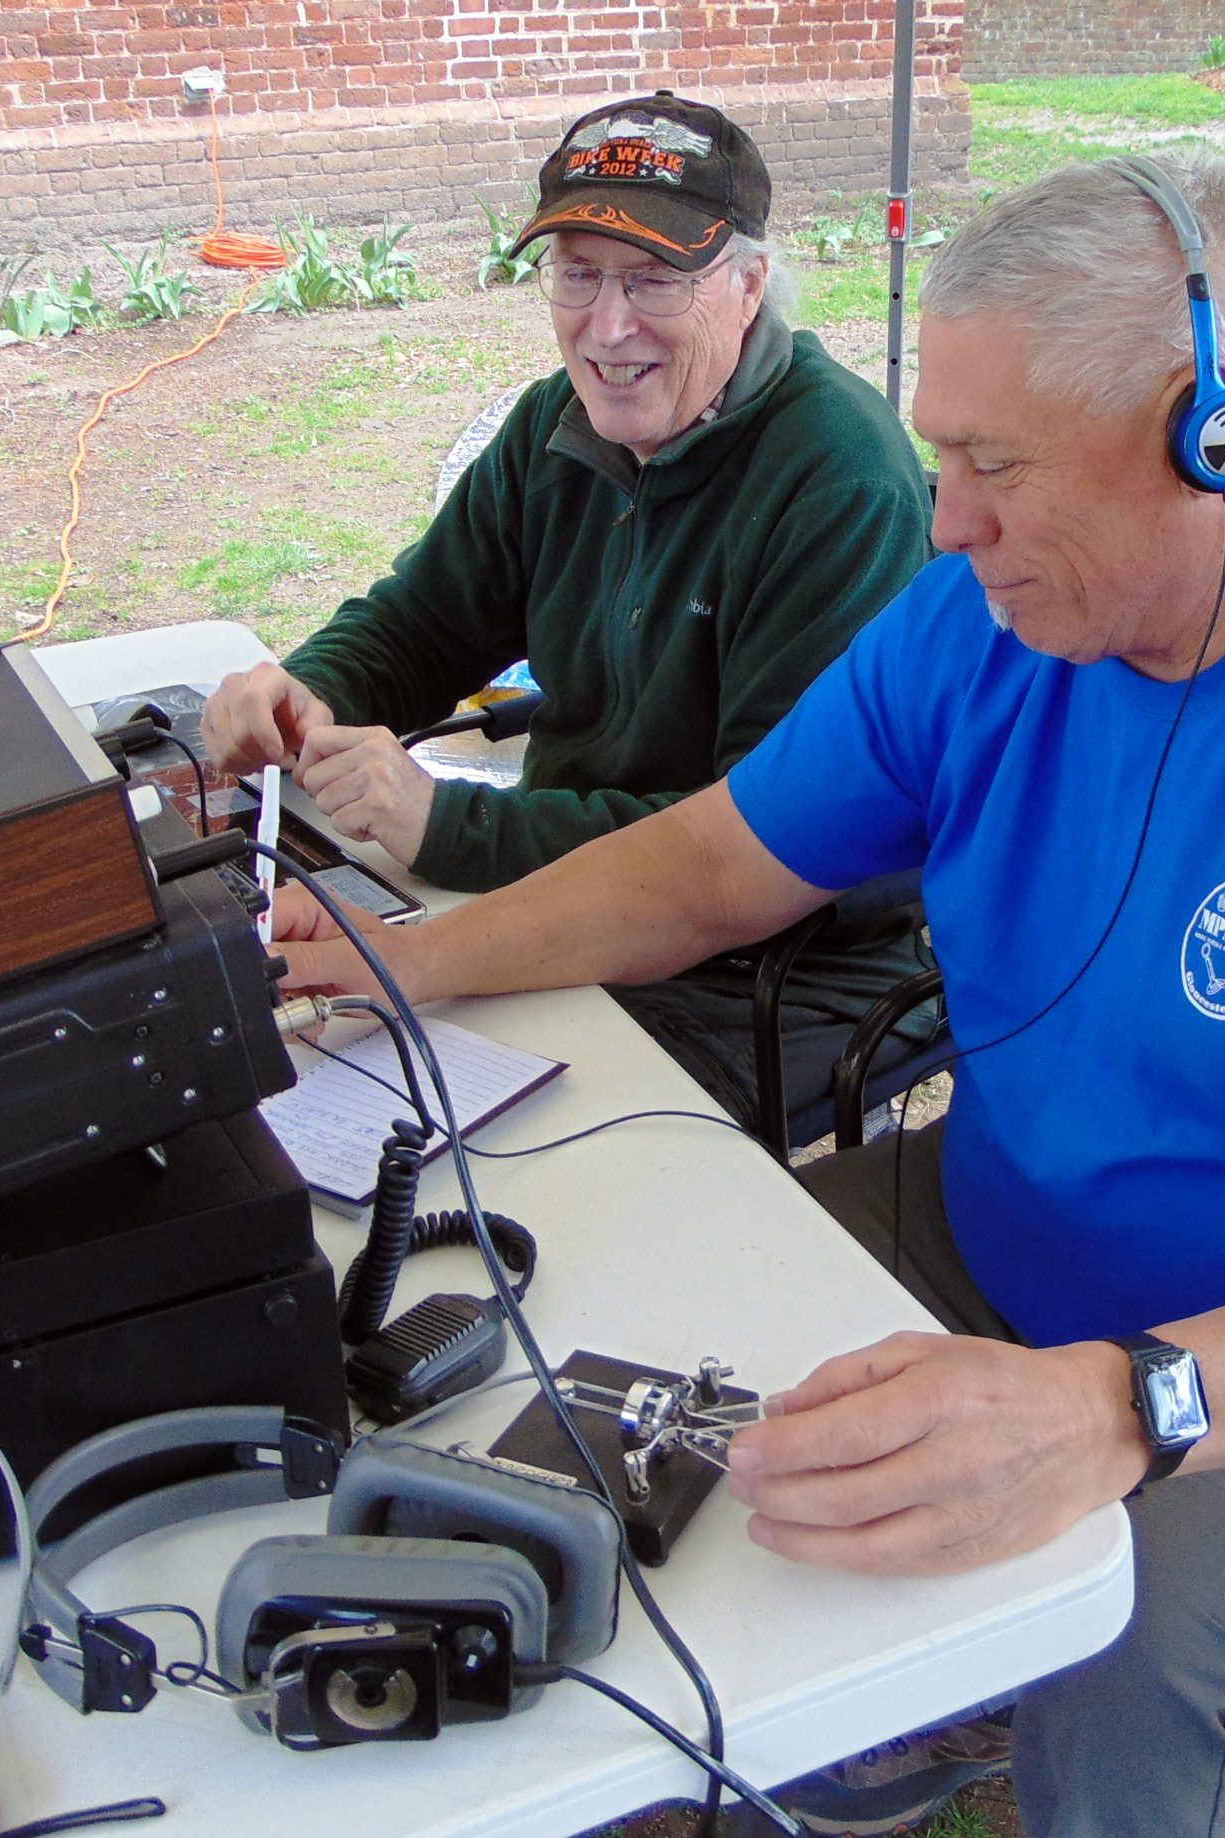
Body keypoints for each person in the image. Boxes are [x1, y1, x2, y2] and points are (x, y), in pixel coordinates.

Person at [268, 148, 1225, 1838]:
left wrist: (1117, 1402)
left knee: (1147, 1641)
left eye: (994, 465)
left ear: (1213, 432)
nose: (944, 520)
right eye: (939, 454)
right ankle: (796, 1744)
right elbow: (716, 862)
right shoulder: (987, 613)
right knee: (641, 1334)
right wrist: (411, 962)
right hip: (1022, 1218)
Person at [200, 90, 935, 1133]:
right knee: (293, 1063)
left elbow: (749, 853)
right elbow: (421, 621)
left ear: (749, 286)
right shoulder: (558, 423)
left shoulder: (837, 480)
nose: (606, 325)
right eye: (578, 274)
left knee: (463, 1132)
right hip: (572, 894)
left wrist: (450, 826)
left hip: (780, 964)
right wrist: (302, 692)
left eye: (652, 280)